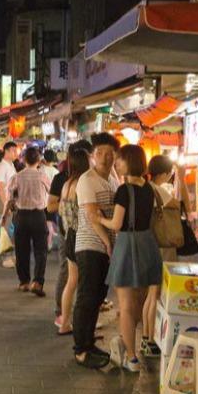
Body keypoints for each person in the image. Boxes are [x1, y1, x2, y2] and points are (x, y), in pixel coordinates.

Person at [95, 145, 163, 372]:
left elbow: (116, 224)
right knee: (136, 304)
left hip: (128, 245)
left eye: (120, 160)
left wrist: (99, 218)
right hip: (147, 245)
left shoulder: (124, 190)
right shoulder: (150, 188)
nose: (116, 163)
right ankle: (126, 346)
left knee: (125, 306)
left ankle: (132, 358)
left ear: (130, 162)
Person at [72, 132, 121, 369]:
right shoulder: (87, 180)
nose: (105, 157)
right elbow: (92, 216)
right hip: (90, 244)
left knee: (98, 297)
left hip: (104, 247)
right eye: (100, 153)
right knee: (87, 296)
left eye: (110, 153)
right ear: (93, 156)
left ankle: (89, 342)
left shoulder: (112, 180)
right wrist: (108, 241)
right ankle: (81, 349)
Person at [140, 154, 191, 358]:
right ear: (164, 173)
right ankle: (150, 340)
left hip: (148, 245)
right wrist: (182, 178)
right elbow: (185, 206)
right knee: (155, 294)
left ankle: (146, 337)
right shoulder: (158, 190)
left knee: (150, 294)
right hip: (160, 246)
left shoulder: (145, 188)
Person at [52, 147, 90, 335]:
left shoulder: (67, 184)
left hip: (68, 236)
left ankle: (65, 322)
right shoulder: (83, 184)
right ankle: (78, 322)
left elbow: (60, 211)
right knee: (82, 283)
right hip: (80, 236)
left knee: (71, 280)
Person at [8, 146, 52, 296]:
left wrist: (5, 215)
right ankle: (38, 282)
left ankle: (24, 282)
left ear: (23, 160)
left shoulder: (17, 177)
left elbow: (11, 198)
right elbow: (50, 192)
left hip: (21, 216)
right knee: (41, 250)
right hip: (39, 215)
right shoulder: (42, 176)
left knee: (22, 250)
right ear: (39, 160)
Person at [0, 142, 19, 267]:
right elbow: (0, 187)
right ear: (7, 151)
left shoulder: (11, 166)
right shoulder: (1, 167)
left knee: (12, 229)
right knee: (5, 229)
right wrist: (6, 205)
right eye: (14, 151)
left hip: (13, 202)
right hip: (5, 201)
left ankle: (13, 255)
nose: (16, 153)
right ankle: (6, 257)